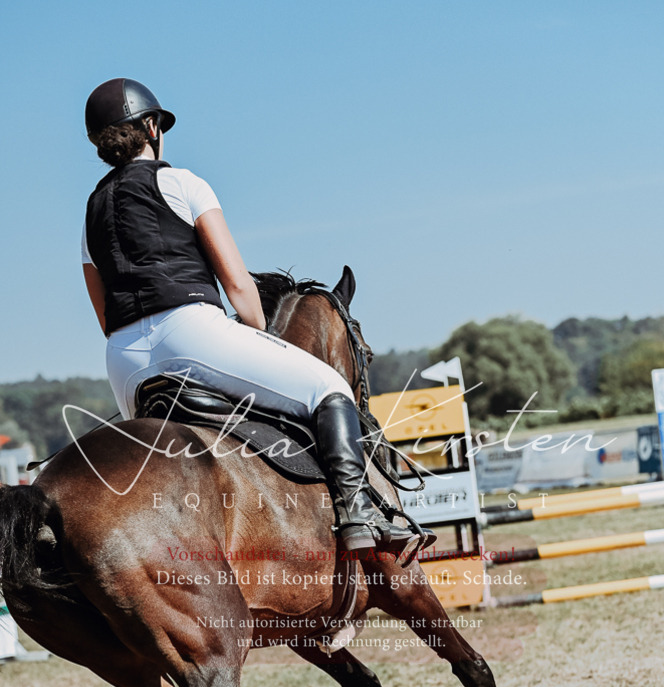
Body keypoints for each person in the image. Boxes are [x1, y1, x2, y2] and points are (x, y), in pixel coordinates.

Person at [82, 78, 419, 554]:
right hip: (192, 332)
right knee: (330, 388)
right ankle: (356, 510)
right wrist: (263, 339)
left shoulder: (90, 213)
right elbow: (238, 285)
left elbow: (103, 314)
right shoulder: (181, 182)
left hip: (125, 361)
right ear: (152, 127)